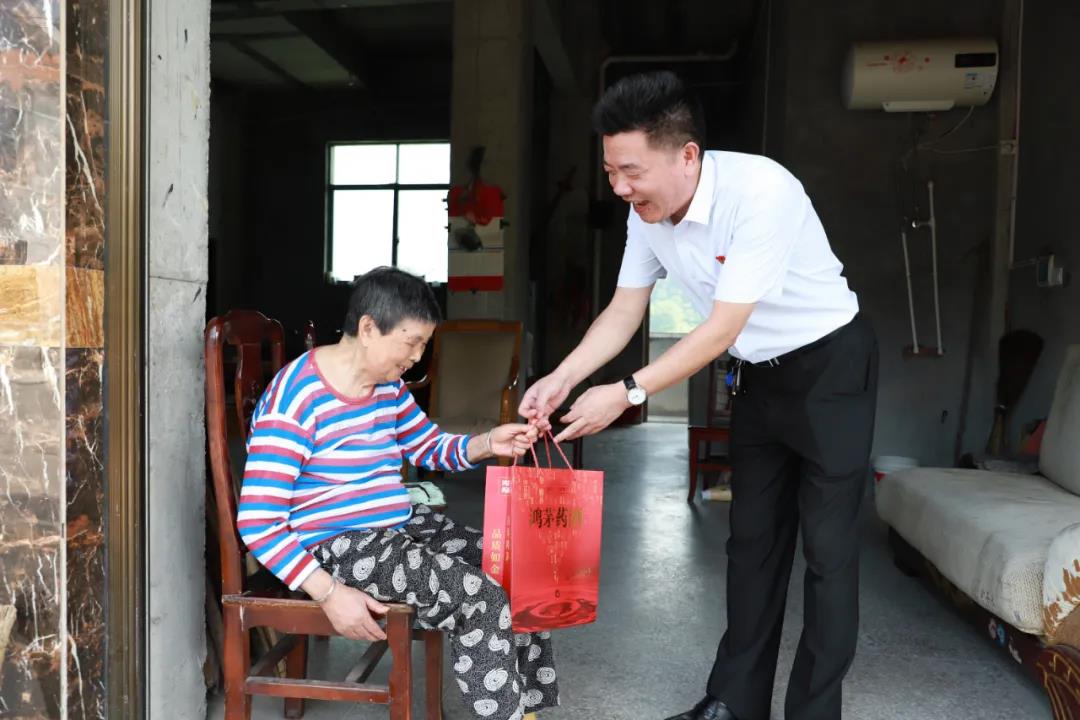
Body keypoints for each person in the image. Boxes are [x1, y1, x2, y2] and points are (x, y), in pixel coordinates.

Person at [521, 71, 879, 720]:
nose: (620, 188)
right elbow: (625, 309)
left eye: (632, 171)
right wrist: (563, 377)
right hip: (758, 377)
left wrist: (627, 392)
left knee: (829, 556)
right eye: (610, 172)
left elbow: (720, 328)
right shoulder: (646, 214)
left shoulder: (762, 192)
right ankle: (734, 704)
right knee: (751, 548)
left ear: (687, 156)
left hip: (831, 370)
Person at [238, 267, 558, 720]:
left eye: (424, 344)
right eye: (412, 343)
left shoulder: (387, 387)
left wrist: (489, 443)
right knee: (480, 598)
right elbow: (258, 521)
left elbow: (429, 447)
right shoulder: (296, 400)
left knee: (515, 566)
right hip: (338, 545)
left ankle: (525, 711)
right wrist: (329, 593)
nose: (418, 356)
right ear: (369, 328)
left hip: (397, 526)